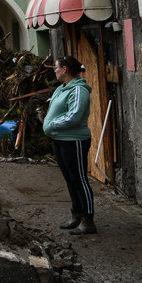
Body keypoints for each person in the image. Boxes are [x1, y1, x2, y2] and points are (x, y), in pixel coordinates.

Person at [43, 55, 96, 234]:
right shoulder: (61, 89)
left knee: (79, 178)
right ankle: (76, 215)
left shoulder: (79, 90)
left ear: (64, 69)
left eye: (56, 67)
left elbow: (75, 116)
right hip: (60, 140)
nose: (55, 70)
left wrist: (51, 125)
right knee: (69, 178)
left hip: (75, 140)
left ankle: (88, 220)